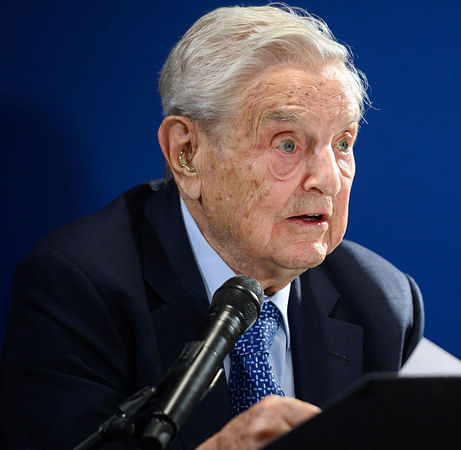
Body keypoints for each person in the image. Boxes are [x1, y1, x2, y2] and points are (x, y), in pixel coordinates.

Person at [0, 4, 423, 449]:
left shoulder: (383, 303)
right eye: (287, 143)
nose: (328, 180)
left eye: (342, 143)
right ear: (187, 154)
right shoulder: (81, 289)